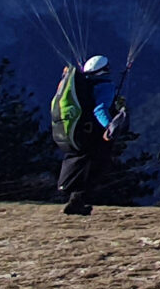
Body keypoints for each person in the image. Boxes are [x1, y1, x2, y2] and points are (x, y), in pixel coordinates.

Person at [51, 54, 125, 217]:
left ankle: (75, 200)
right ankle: (78, 200)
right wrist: (109, 126)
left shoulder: (84, 85)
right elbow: (99, 109)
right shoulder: (104, 86)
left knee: (81, 162)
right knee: (97, 167)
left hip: (79, 132)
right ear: (105, 70)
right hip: (93, 134)